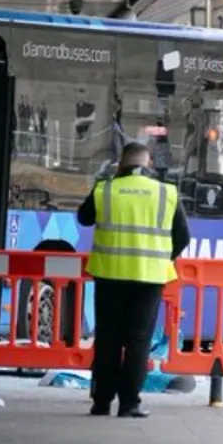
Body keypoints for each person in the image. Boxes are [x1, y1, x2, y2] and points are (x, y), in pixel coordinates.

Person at [78, 141, 190, 418]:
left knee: (108, 339)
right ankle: (129, 404)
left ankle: (101, 402)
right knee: (138, 341)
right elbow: (183, 237)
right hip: (149, 279)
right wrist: (162, 258)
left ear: (120, 164)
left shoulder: (105, 189)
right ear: (149, 163)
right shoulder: (166, 192)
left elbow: (84, 218)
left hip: (109, 275)